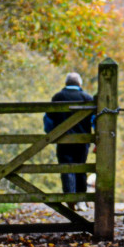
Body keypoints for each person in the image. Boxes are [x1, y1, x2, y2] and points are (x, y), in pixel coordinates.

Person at [44, 72, 95, 202]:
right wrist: (96, 139)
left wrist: (51, 135)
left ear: (66, 83)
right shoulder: (87, 98)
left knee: (66, 168)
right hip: (83, 141)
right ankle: (81, 200)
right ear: (79, 84)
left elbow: (48, 119)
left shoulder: (57, 97)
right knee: (81, 168)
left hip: (63, 141)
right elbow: (95, 120)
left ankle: (69, 198)